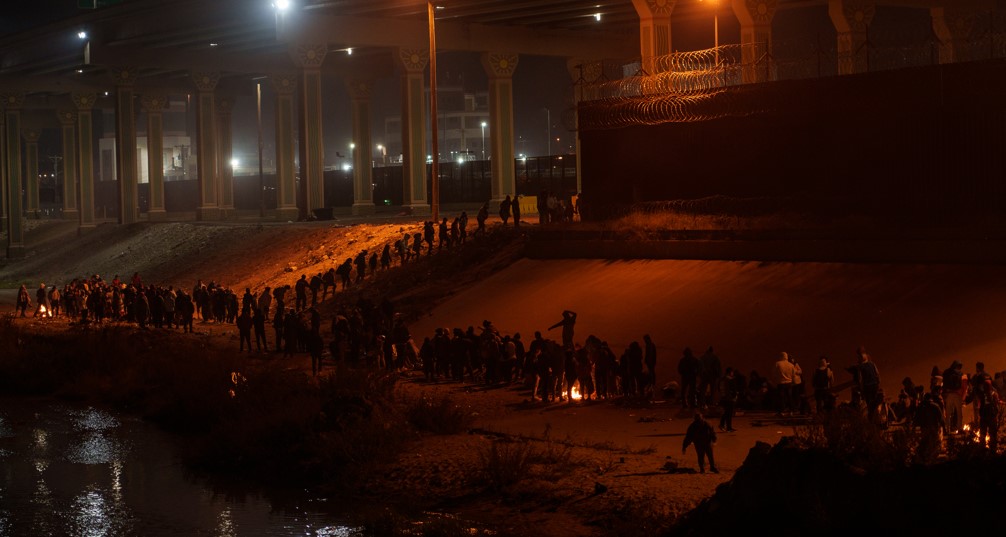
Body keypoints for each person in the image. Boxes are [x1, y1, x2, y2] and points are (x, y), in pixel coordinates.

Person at [857, 346, 882, 424]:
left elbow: (860, 380)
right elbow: (877, 374)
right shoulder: (871, 364)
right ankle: (875, 419)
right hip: (872, 386)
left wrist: (862, 389)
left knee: (871, 405)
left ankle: (872, 420)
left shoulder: (862, 366)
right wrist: (878, 382)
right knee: (873, 404)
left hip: (869, 387)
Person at [773, 351, 796, 416]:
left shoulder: (777, 363)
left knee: (781, 398)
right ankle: (791, 411)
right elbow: (794, 374)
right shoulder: (791, 365)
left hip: (781, 383)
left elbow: (774, 373)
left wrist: (776, 380)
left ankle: (781, 411)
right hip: (789, 383)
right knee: (789, 397)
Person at [719, 367, 738, 432]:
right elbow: (733, 390)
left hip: (723, 398)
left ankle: (722, 424)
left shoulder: (722, 379)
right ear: (730, 372)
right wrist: (734, 396)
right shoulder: (730, 380)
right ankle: (728, 427)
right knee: (729, 413)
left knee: (726, 412)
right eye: (732, 372)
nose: (733, 373)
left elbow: (719, 388)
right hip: (729, 398)